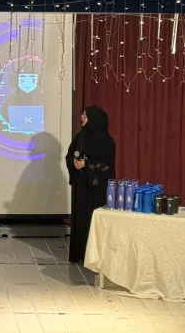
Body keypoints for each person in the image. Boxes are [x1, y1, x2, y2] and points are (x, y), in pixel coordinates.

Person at [65, 106, 116, 263]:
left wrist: (87, 165)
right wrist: (74, 162)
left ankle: (94, 256)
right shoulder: (80, 136)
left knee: (93, 219)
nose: (81, 117)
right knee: (80, 217)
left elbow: (107, 165)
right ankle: (79, 254)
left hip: (96, 190)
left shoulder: (106, 141)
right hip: (81, 186)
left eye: (85, 115)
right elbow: (69, 155)